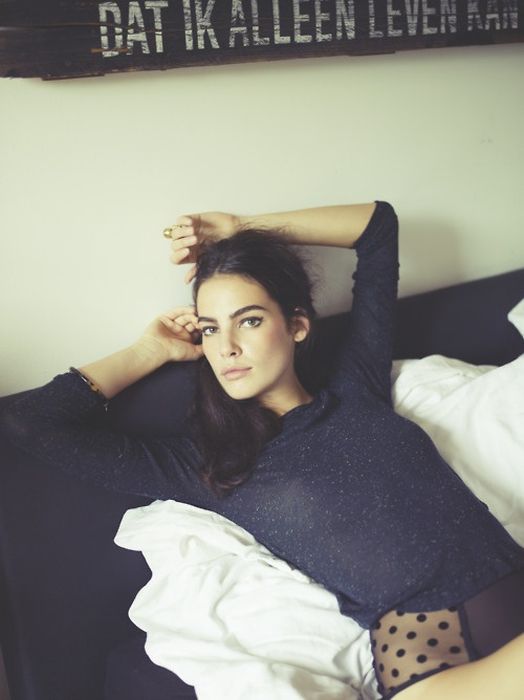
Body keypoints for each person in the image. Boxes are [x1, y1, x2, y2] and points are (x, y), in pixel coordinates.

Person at [2, 200, 524, 700]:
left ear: (296, 325)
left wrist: (239, 226)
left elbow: (377, 227)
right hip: (434, 664)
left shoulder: (357, 386)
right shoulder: (207, 464)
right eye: (210, 329)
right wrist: (149, 350)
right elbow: (28, 421)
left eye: (248, 320)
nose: (226, 347)